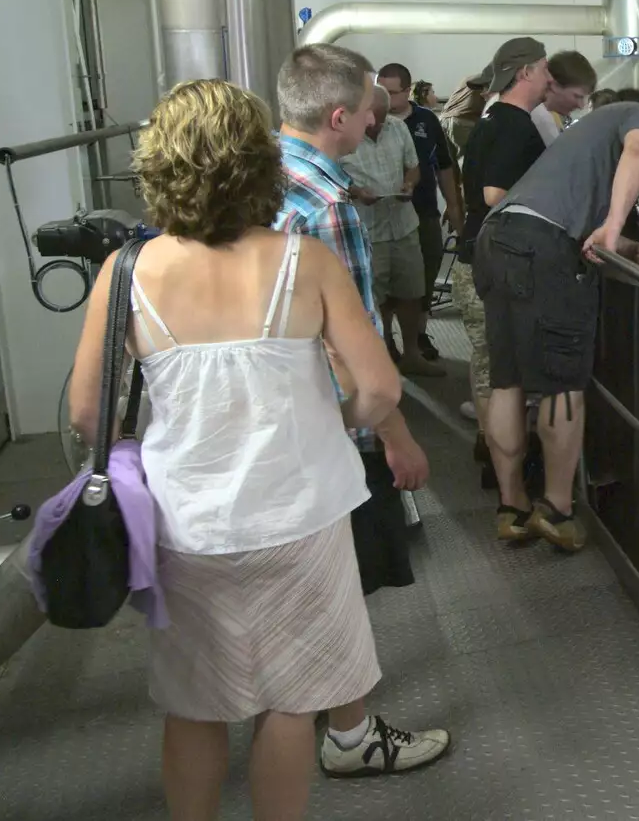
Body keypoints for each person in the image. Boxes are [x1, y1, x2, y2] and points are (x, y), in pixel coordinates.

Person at [67, 79, 403, 820]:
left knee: (196, 702)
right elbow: (379, 391)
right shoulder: (302, 260)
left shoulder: (124, 273)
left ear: (159, 165)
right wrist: (326, 416)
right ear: (259, 163)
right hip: (302, 517)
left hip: (187, 522)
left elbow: (88, 411)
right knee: (289, 701)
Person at [273, 44, 450, 777]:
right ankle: (348, 730)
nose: (376, 119)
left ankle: (311, 706)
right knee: (338, 578)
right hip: (327, 416)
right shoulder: (327, 202)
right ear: (340, 116)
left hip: (270, 417)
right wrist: (394, 433)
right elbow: (353, 339)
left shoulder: (256, 179)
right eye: (368, 109)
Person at [474, 89, 639, 551]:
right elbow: (638, 150)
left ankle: (512, 507)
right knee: (563, 387)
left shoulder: (578, 147)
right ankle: (557, 508)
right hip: (540, 249)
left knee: (508, 380)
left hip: (495, 239)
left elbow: (579, 226)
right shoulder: (637, 114)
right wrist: (618, 228)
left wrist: (628, 246)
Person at [452, 40, 597, 489]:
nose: (548, 78)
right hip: (496, 260)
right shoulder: (515, 125)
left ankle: (499, 466)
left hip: (479, 253)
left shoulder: (495, 116)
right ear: (526, 73)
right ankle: (505, 475)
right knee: (504, 378)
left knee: (497, 372)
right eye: (542, 70)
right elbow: (497, 194)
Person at [341, 84, 442, 377]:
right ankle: (384, 351)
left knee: (411, 292)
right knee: (376, 298)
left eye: (384, 116)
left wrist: (409, 184)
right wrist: (357, 191)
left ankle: (412, 354)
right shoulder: (345, 133)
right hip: (367, 231)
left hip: (403, 225)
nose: (378, 123)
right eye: (374, 116)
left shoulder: (398, 128)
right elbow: (331, 177)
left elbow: (413, 166)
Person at [379, 62, 462, 363]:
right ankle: (386, 340)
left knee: (423, 278)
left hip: (423, 210)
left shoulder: (426, 120)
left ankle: (418, 336)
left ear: (407, 90)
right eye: (381, 91)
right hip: (382, 216)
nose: (385, 100)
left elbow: (444, 165)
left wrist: (453, 206)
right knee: (385, 283)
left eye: (392, 93)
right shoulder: (370, 121)